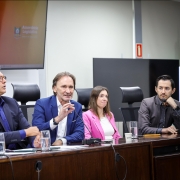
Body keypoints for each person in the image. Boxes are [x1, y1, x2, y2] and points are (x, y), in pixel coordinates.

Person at [32, 72, 84, 145]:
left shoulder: (77, 106)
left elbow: (80, 133)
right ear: (54, 88)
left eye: (71, 87)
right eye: (64, 87)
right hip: (46, 149)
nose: (68, 91)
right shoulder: (42, 104)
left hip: (67, 149)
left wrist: (62, 141)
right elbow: (37, 129)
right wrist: (58, 119)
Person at [0, 72, 40, 149]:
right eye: (0, 78)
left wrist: (35, 141)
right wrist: (24, 133)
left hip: (19, 153)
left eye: (4, 77)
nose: (4, 81)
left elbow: (28, 129)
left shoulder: (12, 103)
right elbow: (27, 132)